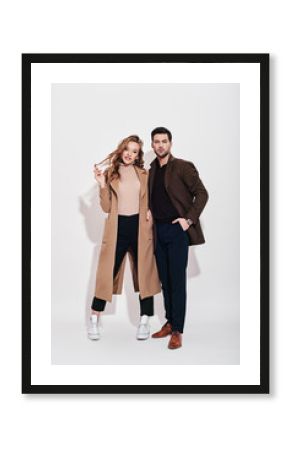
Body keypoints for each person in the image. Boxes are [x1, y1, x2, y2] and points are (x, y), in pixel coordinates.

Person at [88, 135, 161, 341]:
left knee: (144, 275)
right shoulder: (111, 174)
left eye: (135, 151)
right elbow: (106, 207)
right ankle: (94, 318)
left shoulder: (143, 174)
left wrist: (151, 212)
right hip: (118, 229)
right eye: (127, 149)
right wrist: (102, 184)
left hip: (140, 229)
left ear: (138, 155)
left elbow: (152, 198)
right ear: (122, 150)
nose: (130, 154)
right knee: (106, 274)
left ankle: (145, 319)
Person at [148, 127, 208, 349]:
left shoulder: (183, 166)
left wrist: (188, 219)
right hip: (158, 232)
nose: (161, 145)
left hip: (176, 231)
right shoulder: (152, 169)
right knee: (165, 282)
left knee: (177, 282)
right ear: (152, 145)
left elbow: (202, 193)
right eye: (156, 141)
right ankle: (169, 321)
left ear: (170, 143)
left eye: (164, 141)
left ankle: (178, 331)